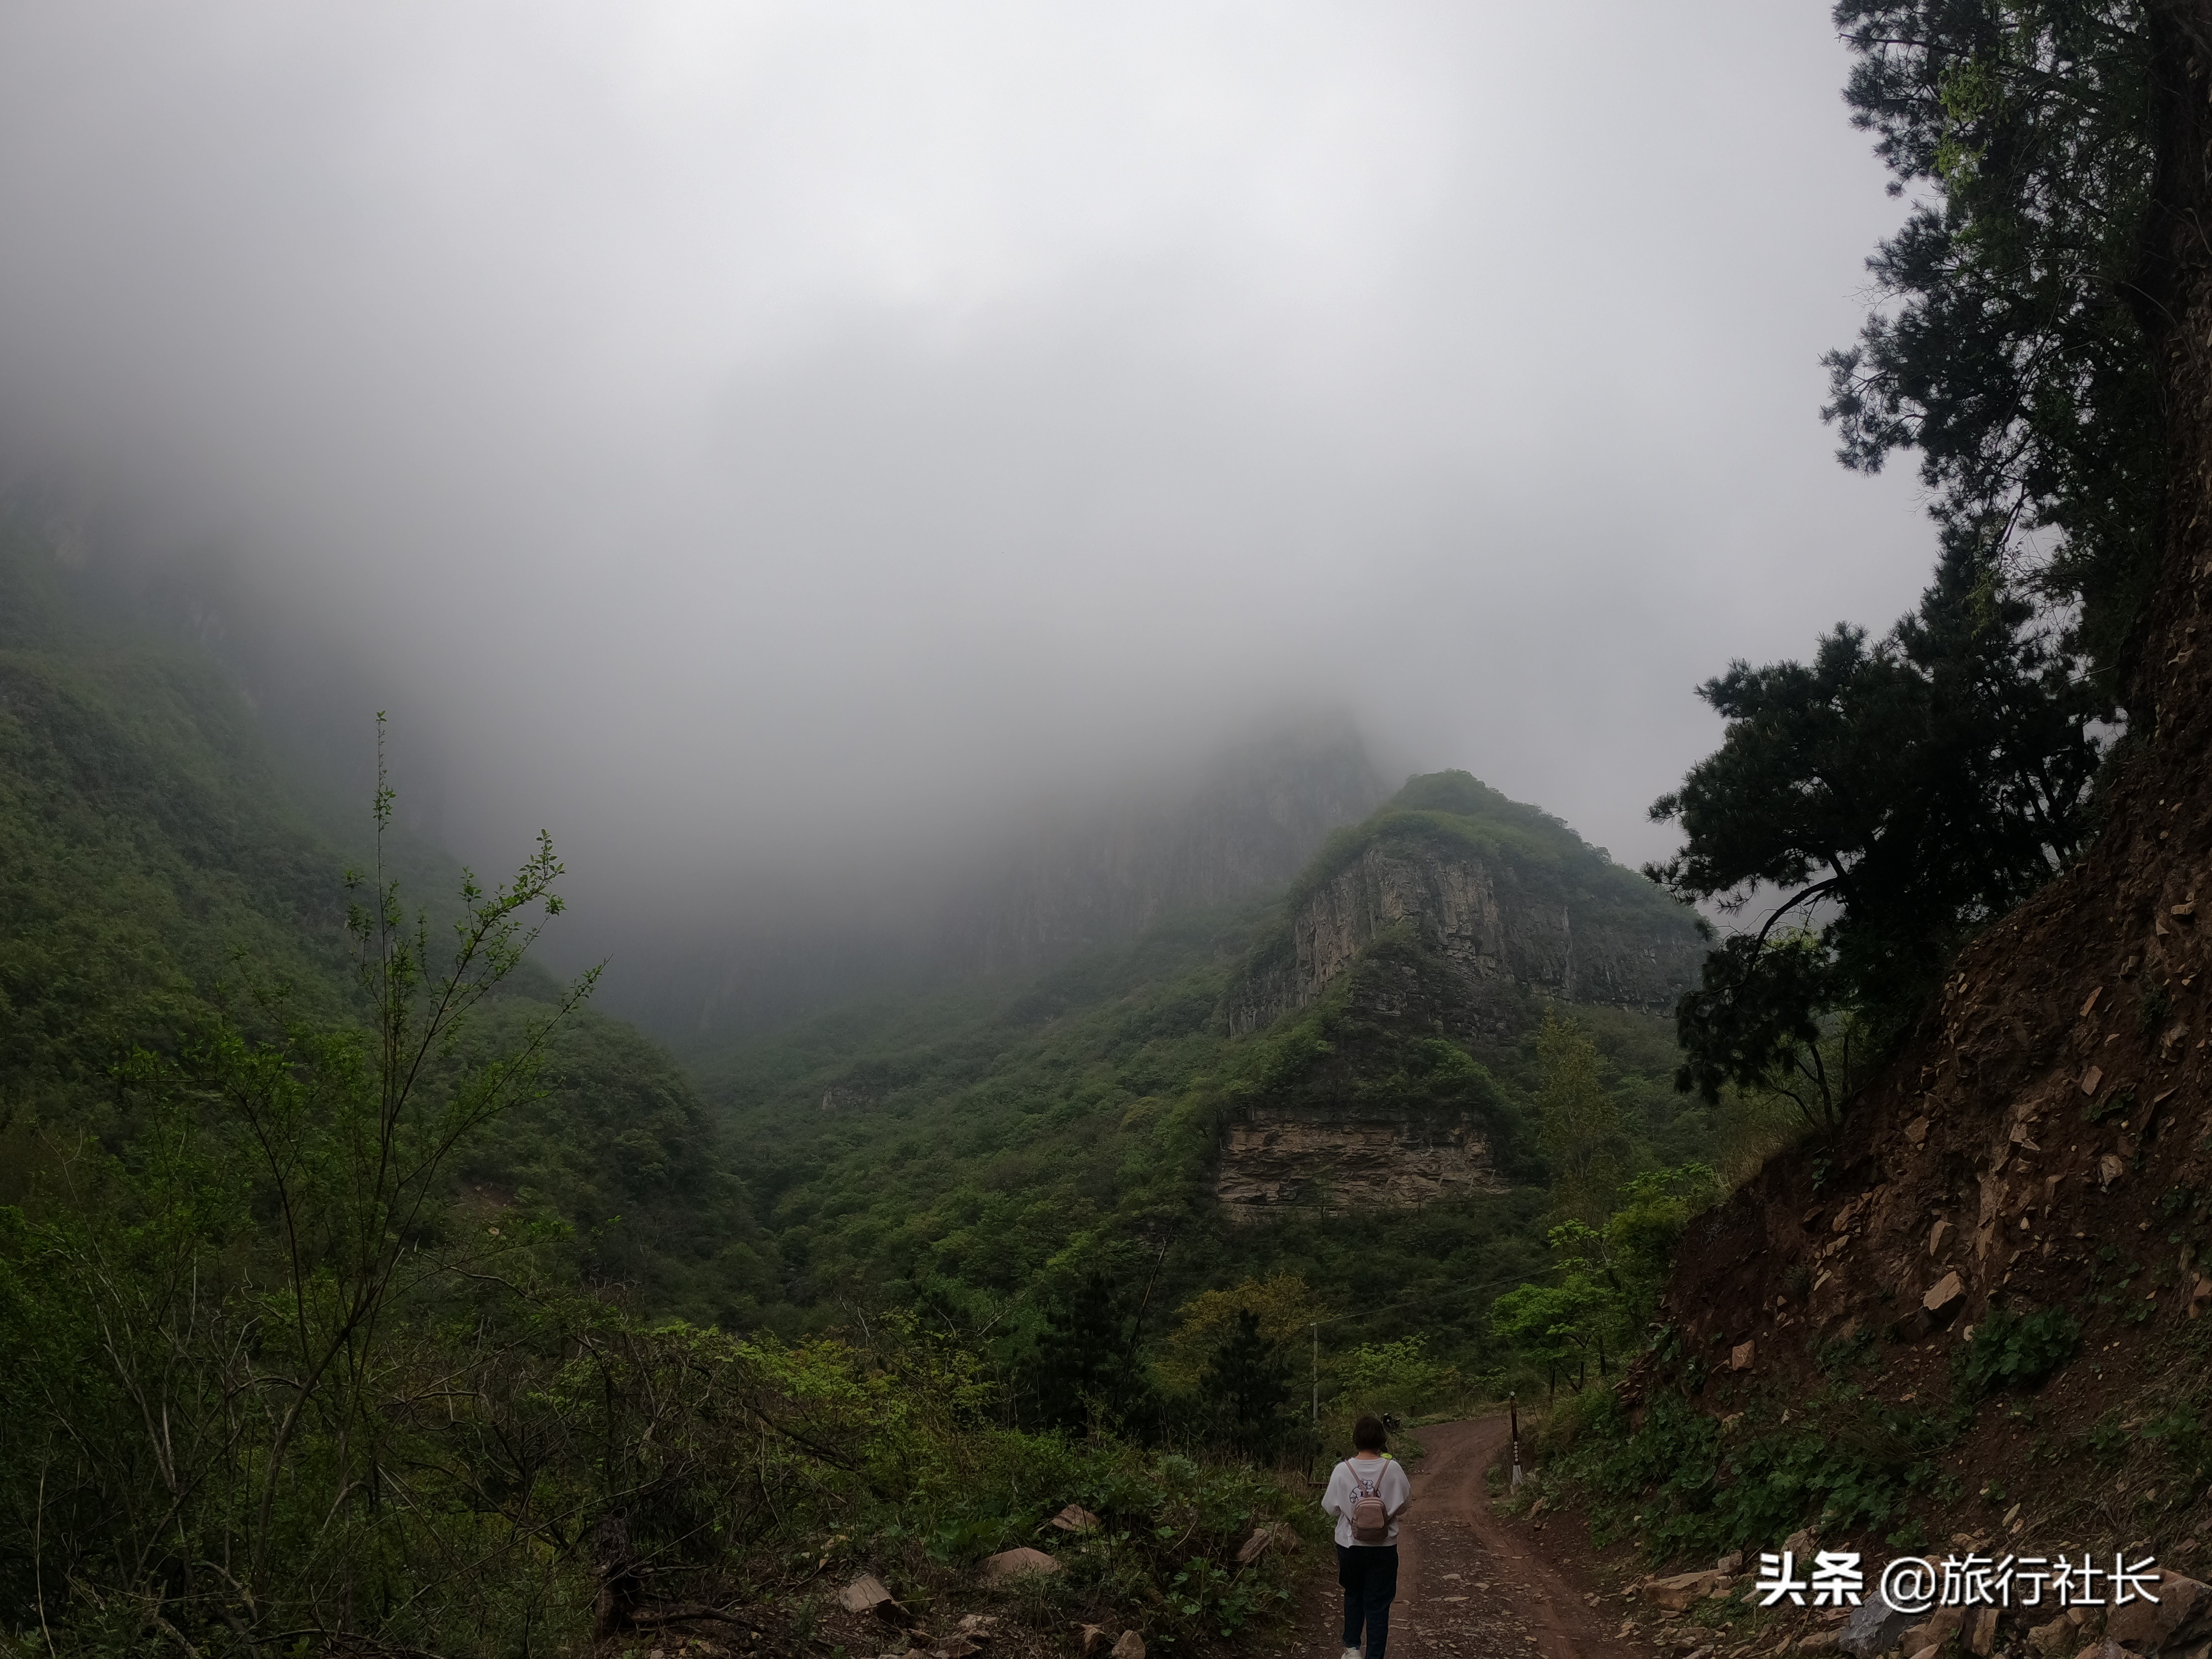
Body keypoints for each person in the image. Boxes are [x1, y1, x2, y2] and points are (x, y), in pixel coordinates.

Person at [1320, 1415, 1412, 1659]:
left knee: (1353, 1594)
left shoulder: (1342, 1470)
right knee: (1379, 1604)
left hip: (1350, 1545)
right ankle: (1375, 1655)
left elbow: (1330, 1507)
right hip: (1384, 1547)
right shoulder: (1393, 1468)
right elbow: (1405, 1504)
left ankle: (1352, 1649)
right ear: (1382, 1439)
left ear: (1356, 1440)